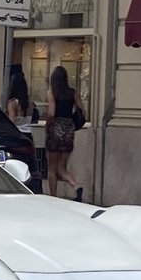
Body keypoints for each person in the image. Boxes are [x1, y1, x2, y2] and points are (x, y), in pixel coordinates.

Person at [44, 65, 87, 198]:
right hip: (69, 129)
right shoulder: (73, 92)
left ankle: (53, 196)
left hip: (55, 128)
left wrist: (47, 125)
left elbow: (51, 113)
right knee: (62, 168)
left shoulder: (52, 92)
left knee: (52, 168)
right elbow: (83, 111)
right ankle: (76, 185)